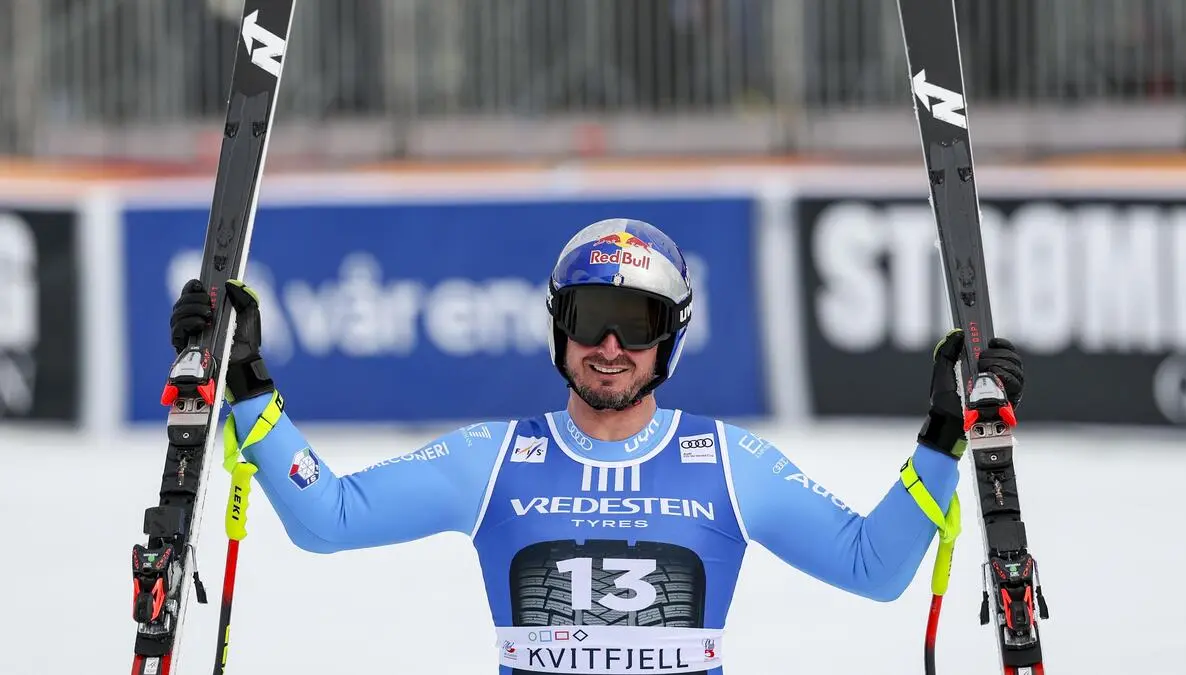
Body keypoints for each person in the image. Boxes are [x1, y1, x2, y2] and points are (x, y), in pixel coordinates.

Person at [170, 218, 1024, 675]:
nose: (610, 347)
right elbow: (327, 517)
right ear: (559, 328)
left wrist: (942, 437)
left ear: (669, 340)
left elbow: (873, 566)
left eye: (636, 324)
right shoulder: (493, 458)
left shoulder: (728, 460)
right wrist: (248, 383)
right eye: (590, 319)